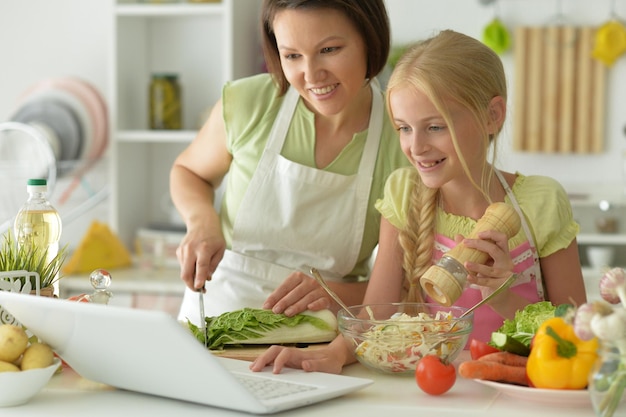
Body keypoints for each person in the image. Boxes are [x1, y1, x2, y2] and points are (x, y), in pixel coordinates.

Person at [250, 29, 587, 375]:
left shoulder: (541, 202)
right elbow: (375, 314)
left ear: (493, 115)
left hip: (520, 387)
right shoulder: (404, 193)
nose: (416, 147)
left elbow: (577, 335)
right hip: (431, 386)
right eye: (404, 128)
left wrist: (502, 296)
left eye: (435, 127)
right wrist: (331, 355)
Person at [170, 0, 409, 325]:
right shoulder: (248, 103)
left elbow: (410, 289)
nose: (311, 75)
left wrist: (337, 295)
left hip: (322, 343)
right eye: (292, 55)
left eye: (329, 49)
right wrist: (202, 223)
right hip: (212, 329)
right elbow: (188, 172)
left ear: (370, 38)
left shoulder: (402, 139)